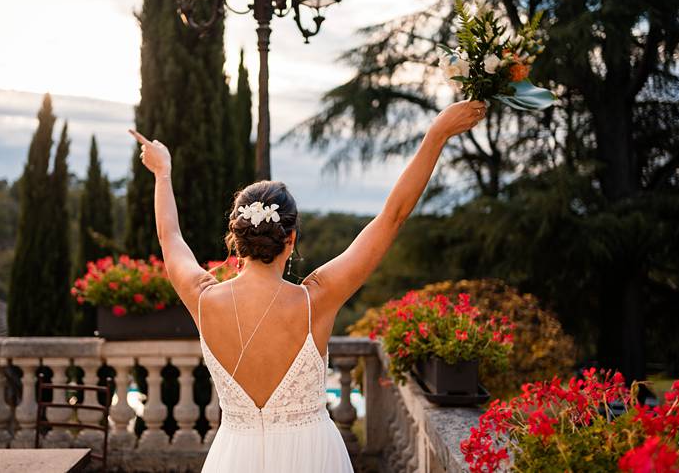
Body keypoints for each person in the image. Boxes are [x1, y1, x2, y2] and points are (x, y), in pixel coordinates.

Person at [130, 101, 486, 472]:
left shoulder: (202, 298)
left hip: (233, 457)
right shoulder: (317, 298)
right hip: (313, 456)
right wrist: (437, 134)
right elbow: (392, 217)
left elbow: (168, 236)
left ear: (235, 239)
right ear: (292, 239)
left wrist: (163, 173)